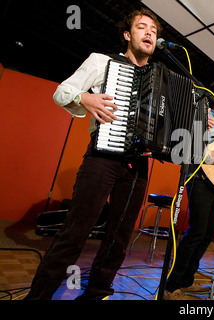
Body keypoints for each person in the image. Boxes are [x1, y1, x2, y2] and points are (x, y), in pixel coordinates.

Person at [25, 9, 162, 300]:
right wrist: (84, 97)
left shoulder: (160, 81)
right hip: (102, 158)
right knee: (75, 233)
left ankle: (96, 293)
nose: (149, 33)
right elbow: (61, 92)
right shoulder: (102, 61)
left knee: (119, 239)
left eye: (153, 29)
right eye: (142, 27)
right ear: (128, 34)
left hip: (138, 165)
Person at [164, 80, 214, 300]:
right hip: (199, 178)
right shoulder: (205, 117)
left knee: (208, 233)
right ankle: (171, 286)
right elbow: (198, 152)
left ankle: (187, 280)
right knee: (196, 231)